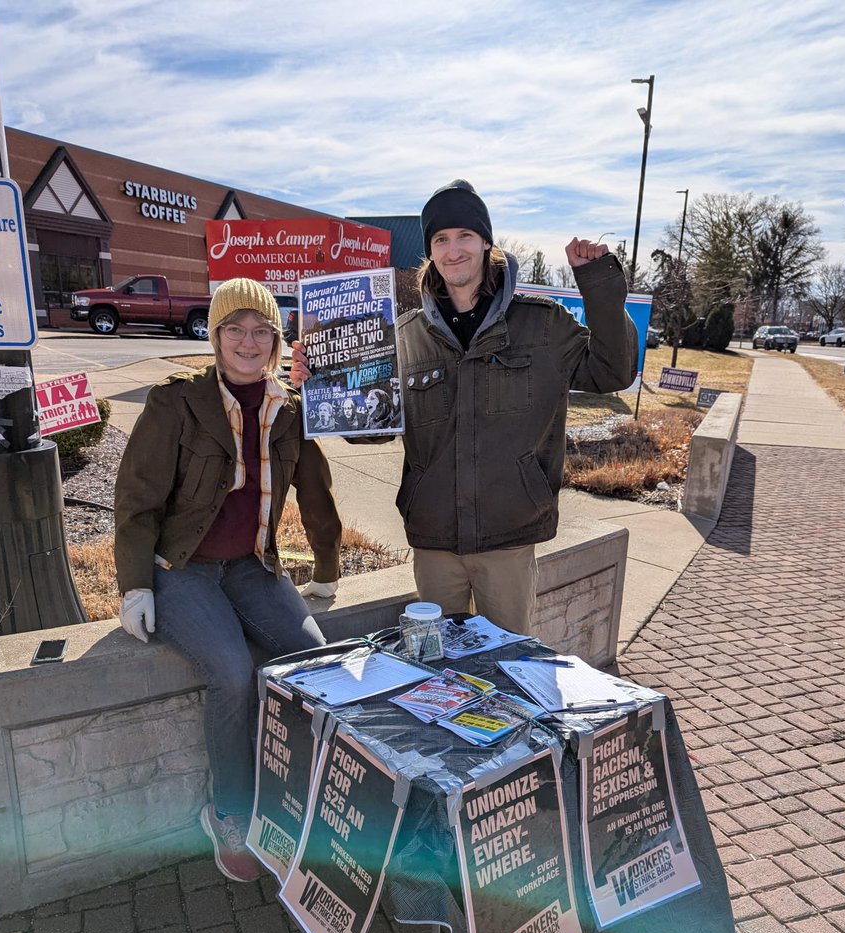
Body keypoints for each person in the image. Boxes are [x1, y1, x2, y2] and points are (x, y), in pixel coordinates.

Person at [292, 180, 637, 635]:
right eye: (440, 239)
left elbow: (614, 371)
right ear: (430, 251)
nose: (453, 250)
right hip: (434, 542)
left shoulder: (542, 323)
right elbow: (372, 426)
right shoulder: (406, 335)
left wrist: (599, 286)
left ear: (486, 242)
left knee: (509, 671)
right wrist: (323, 379)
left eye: (464, 237)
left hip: (508, 540)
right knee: (436, 674)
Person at [115, 277, 342, 883]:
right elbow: (137, 497)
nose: (248, 340)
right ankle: (230, 813)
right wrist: (134, 583)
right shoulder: (177, 401)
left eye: (261, 329)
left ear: (275, 338)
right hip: (181, 568)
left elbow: (316, 493)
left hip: (251, 566)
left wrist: (326, 566)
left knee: (315, 665)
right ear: (214, 336)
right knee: (233, 674)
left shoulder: (287, 407)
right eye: (235, 328)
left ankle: (297, 797)